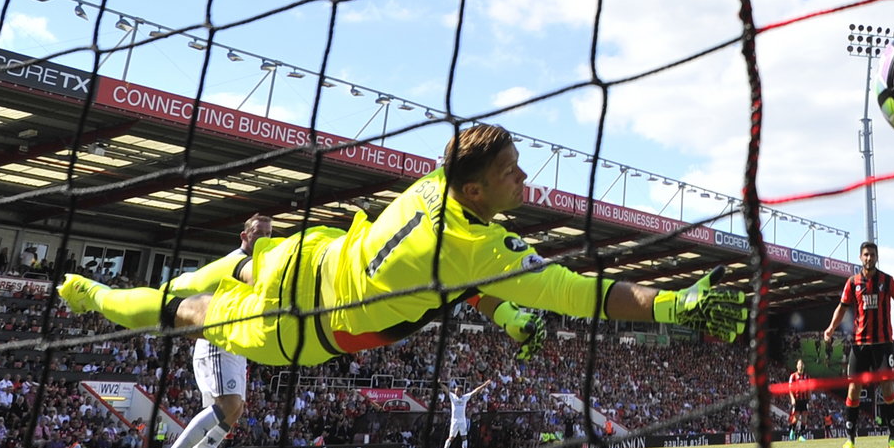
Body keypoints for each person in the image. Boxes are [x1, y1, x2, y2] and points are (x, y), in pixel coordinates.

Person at [58, 124, 747, 367]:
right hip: (292, 327)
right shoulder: (482, 253)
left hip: (298, 256)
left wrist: (504, 314)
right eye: (512, 170)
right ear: (476, 191)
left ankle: (95, 293)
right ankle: (99, 297)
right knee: (180, 311)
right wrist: (670, 305)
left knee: (182, 292)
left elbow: (449, 282)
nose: (524, 177)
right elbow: (581, 293)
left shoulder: (434, 182)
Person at [151, 214, 273, 448]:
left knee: (234, 410)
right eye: (258, 232)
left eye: (268, 233)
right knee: (228, 405)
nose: (264, 238)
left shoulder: (260, 265)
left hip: (236, 343)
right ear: (244, 236)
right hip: (217, 339)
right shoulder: (235, 263)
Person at [823, 241, 894, 448]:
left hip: (884, 344)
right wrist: (830, 328)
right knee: (853, 389)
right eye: (866, 255)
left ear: (877, 257)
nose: (869, 258)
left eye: (872, 254)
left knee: (887, 389)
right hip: (859, 345)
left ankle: (892, 440)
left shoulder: (887, 280)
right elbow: (842, 308)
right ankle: (850, 441)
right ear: (860, 257)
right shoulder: (852, 282)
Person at [440, 379, 491, 448]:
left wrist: (484, 385)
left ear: (460, 391)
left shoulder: (465, 397)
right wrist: (440, 383)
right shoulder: (453, 397)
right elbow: (446, 389)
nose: (456, 392)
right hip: (454, 421)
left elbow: (475, 391)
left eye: (457, 391)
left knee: (464, 437)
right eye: (455, 391)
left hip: (462, 421)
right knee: (451, 438)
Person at [787, 359, 809, 441]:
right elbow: (790, 389)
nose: (801, 366)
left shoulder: (806, 376)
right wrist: (792, 398)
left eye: (802, 364)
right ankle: (792, 430)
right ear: (797, 366)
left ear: (804, 366)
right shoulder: (793, 376)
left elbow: (809, 389)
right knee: (795, 418)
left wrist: (810, 399)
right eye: (799, 364)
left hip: (804, 399)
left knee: (804, 417)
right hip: (797, 400)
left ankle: (801, 435)